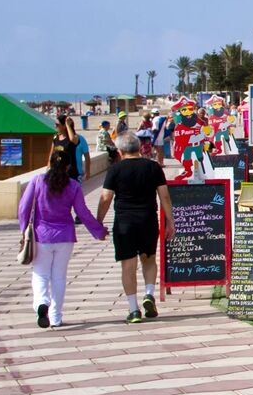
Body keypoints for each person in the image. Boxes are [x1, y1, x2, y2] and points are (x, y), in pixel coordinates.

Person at [18, 147, 103, 329]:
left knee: (41, 274)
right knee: (59, 276)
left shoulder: (38, 181)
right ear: (68, 166)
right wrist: (98, 231)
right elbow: (83, 212)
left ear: (49, 163)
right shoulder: (73, 186)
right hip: (65, 236)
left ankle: (42, 303)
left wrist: (23, 229)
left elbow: (24, 207)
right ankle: (56, 317)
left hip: (42, 236)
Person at [95, 132, 170, 323]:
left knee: (128, 265)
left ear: (120, 151)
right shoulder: (153, 167)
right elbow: (165, 197)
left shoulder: (115, 170)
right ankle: (149, 294)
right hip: (148, 220)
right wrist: (171, 221)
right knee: (149, 258)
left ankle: (133, 309)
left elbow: (105, 198)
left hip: (124, 223)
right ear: (139, 147)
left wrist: (99, 221)